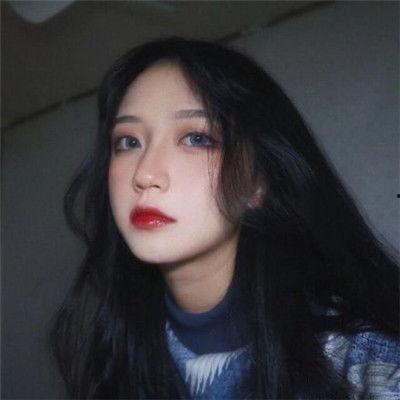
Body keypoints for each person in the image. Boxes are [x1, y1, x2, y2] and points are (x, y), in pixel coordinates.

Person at [49, 37, 400, 399]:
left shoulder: (366, 364)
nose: (145, 174)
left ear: (257, 182)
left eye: (196, 138)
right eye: (128, 142)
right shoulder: (112, 356)